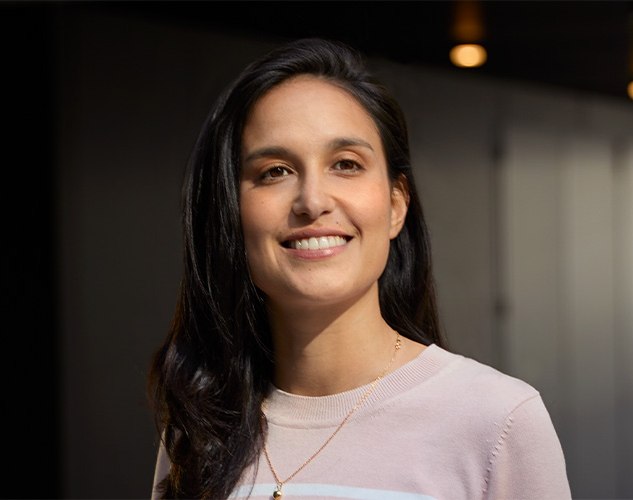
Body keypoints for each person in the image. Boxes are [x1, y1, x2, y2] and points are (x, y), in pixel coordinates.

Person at [148, 39, 570, 500]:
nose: (312, 201)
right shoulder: (199, 426)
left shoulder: (497, 421)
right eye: (275, 171)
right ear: (230, 210)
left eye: (346, 165)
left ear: (395, 204)